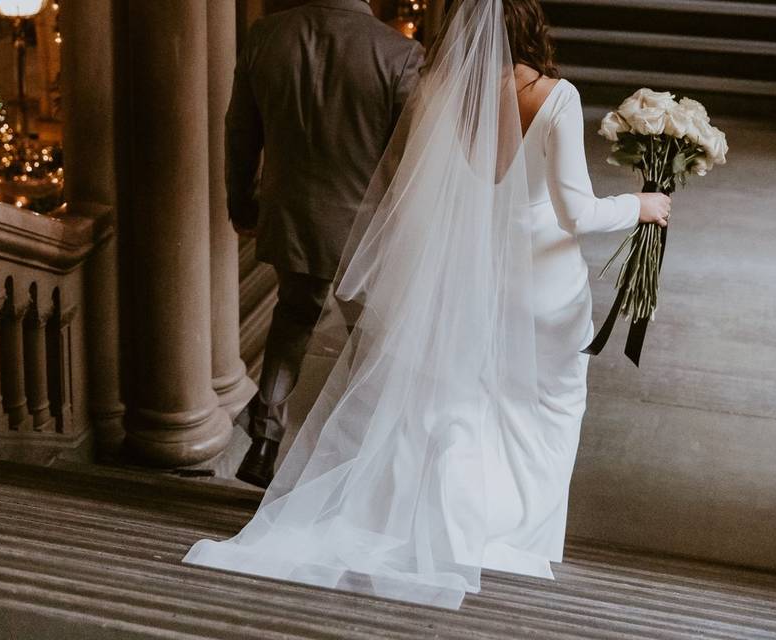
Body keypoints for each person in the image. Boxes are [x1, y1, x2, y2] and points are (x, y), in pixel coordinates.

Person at [187, 0, 670, 609]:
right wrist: (641, 206)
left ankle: (437, 508)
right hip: (542, 282)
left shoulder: (442, 85)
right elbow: (576, 212)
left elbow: (418, 182)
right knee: (546, 409)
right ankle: (516, 536)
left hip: (466, 266)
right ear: (530, 24)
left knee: (459, 397)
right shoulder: (552, 96)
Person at [226, 0, 424, 488]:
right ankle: (352, 458)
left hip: (291, 213)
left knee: (293, 316)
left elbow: (240, 133)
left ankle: (265, 440)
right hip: (365, 227)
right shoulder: (399, 54)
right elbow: (409, 157)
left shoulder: (267, 36)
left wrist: (241, 202)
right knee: (372, 338)